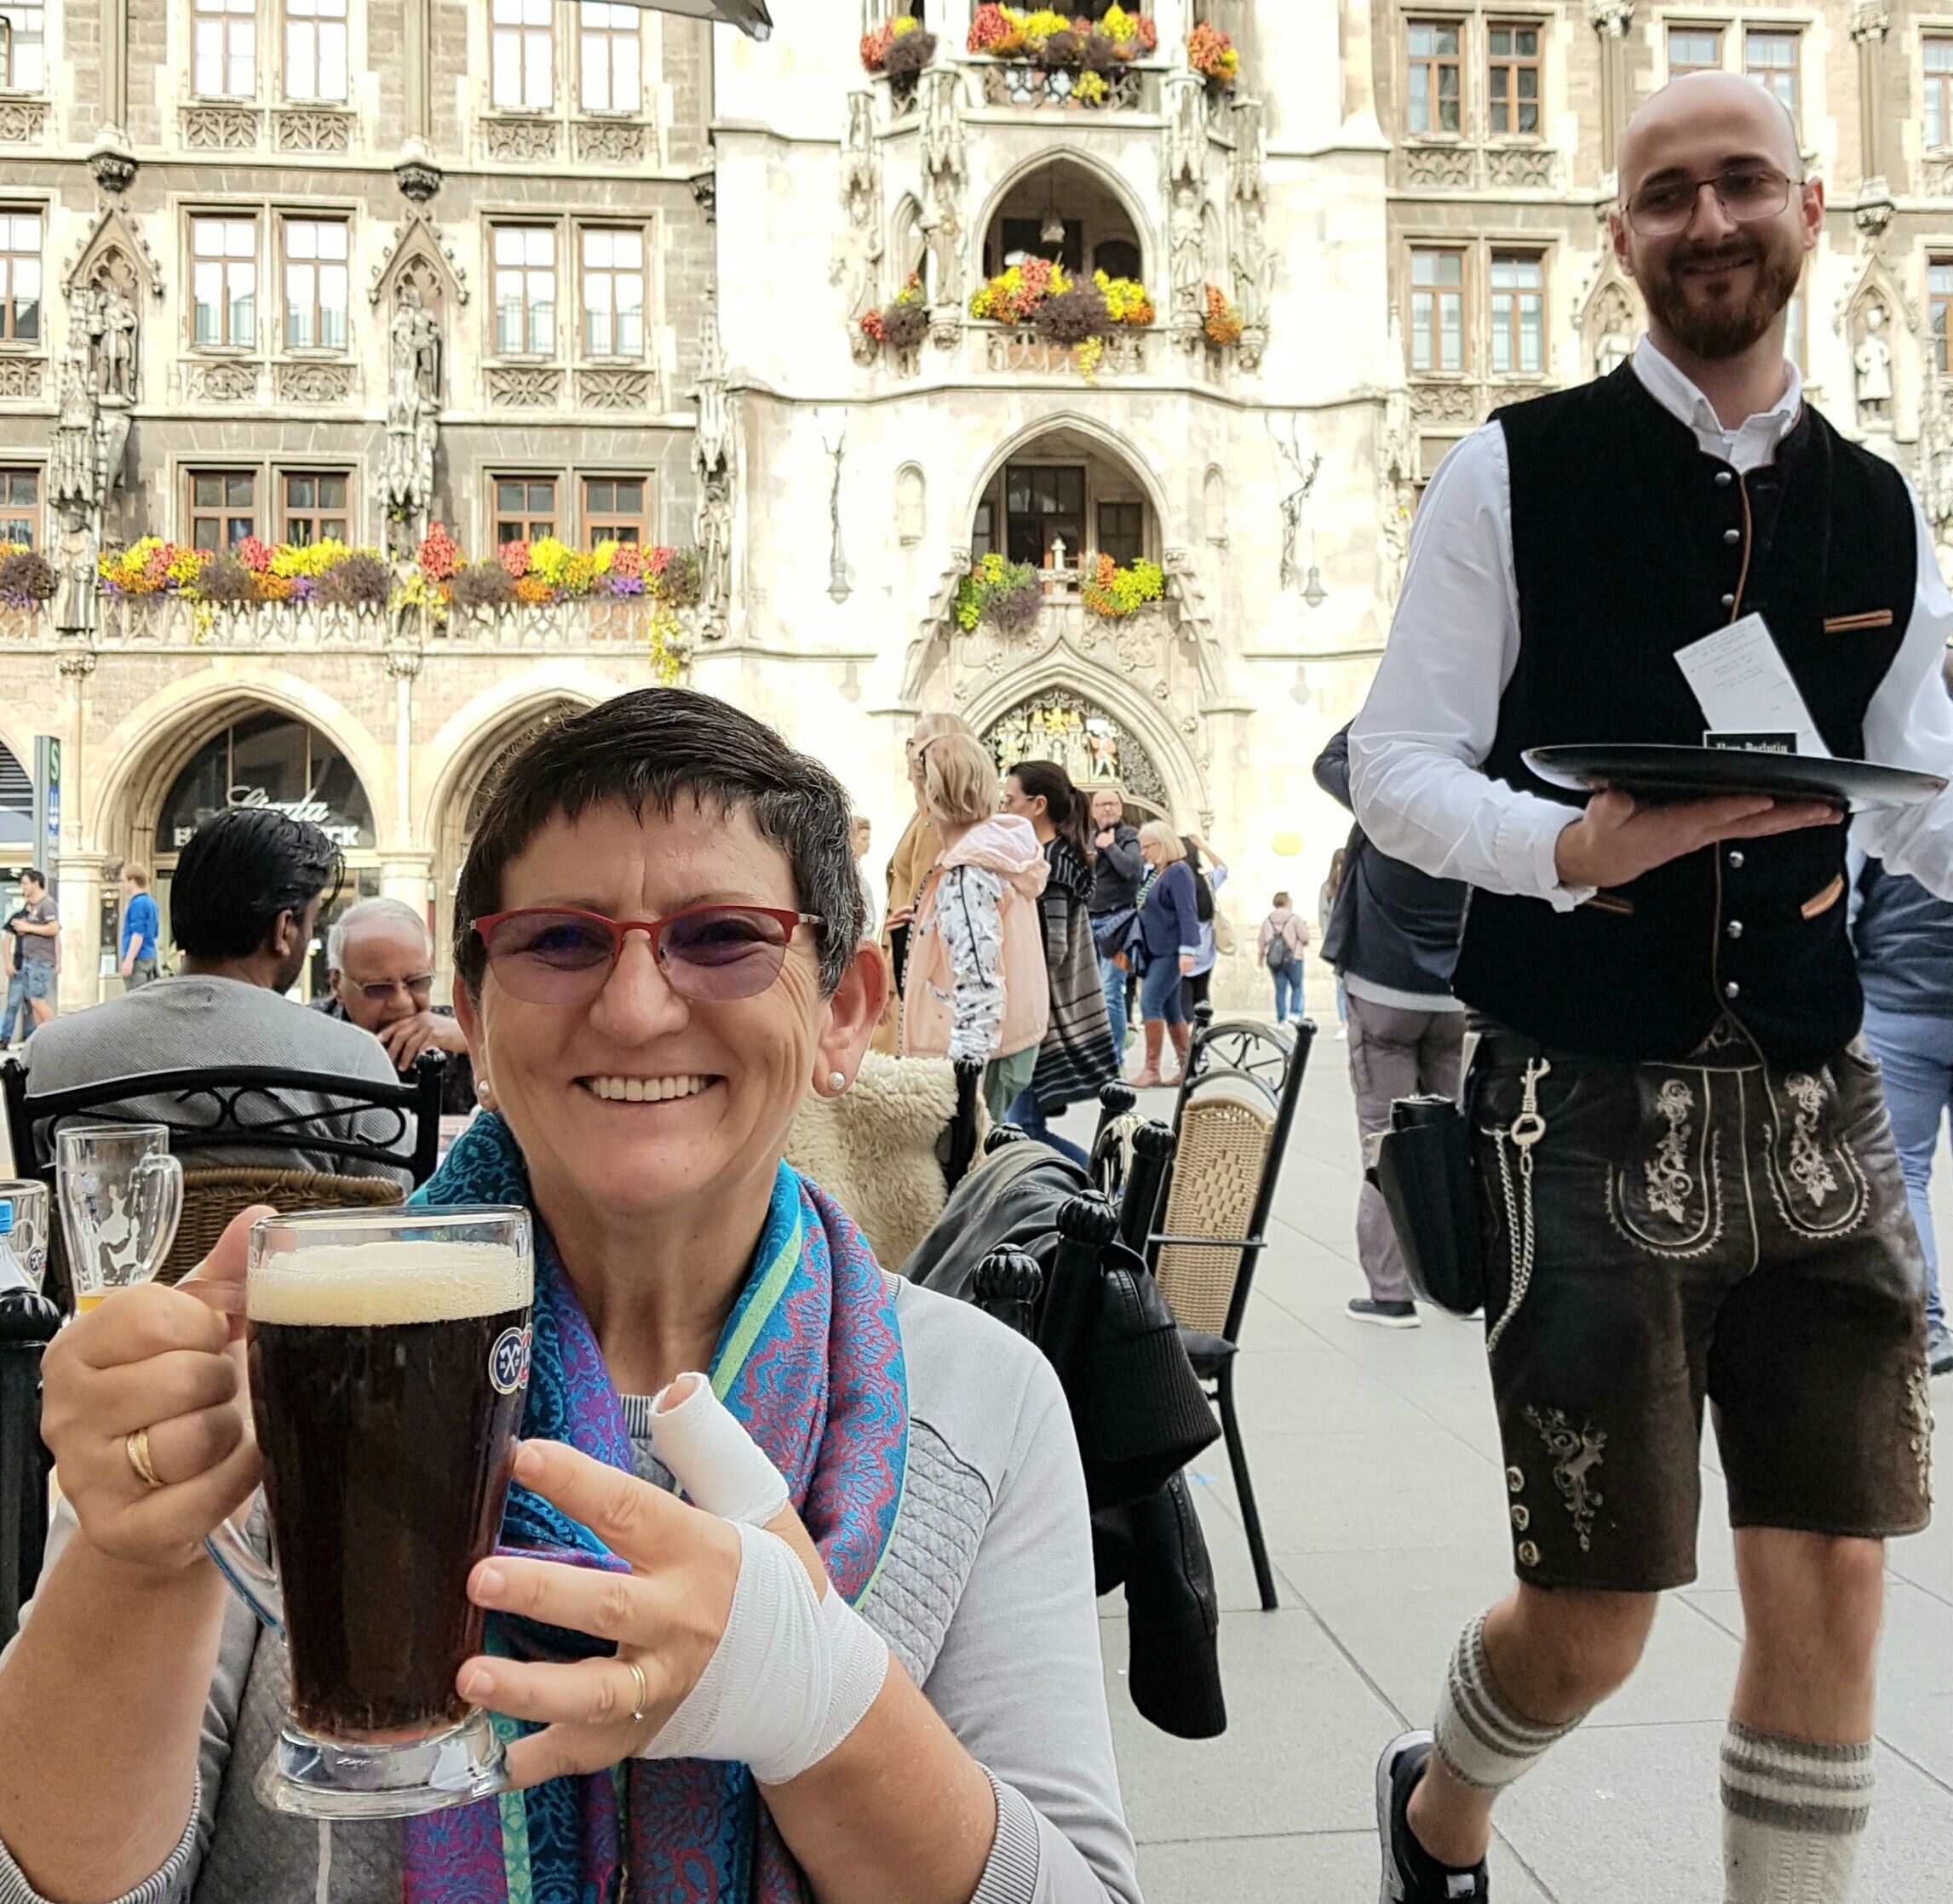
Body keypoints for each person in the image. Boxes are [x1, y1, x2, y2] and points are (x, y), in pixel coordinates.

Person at [0, 687, 1140, 1904]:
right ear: (478, 1021)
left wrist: (818, 1703)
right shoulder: (286, 1354)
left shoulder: (978, 1399)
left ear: (846, 1009)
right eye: (560, 941)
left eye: (722, 936)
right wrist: (133, 1554)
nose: (638, 1007)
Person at [1349, 73, 1952, 1904]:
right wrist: (1577, 851)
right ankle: (1438, 1799)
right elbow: (1398, 767)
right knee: (1596, 1608)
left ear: (1808, 215)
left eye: (1742, 185)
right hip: (1585, 1098)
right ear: (1616, 236)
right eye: (1667, 193)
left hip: (1819, 1099)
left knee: (1837, 1566)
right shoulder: (1512, 467)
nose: (1709, 221)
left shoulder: (1881, 508)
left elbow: (1919, 782)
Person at [22, 807, 409, 1179]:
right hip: (291, 1249)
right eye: (312, 922)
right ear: (284, 930)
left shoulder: (52, 1054)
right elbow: (390, 1210)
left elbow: (43, 1205)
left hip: (114, 1246)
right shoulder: (352, 1061)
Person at [1315, 721, 1469, 1330]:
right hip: (1454, 993)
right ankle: (1460, 1283)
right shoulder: (1468, 803)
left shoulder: (1384, 798)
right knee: (1455, 1136)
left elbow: (1328, 759)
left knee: (1386, 1140)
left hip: (1382, 988)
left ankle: (1390, 1292)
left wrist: (1398, 703)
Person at [901, 731, 1051, 1126]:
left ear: (932, 795)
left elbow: (979, 978)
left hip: (980, 1057)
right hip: (1007, 1044)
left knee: (970, 1174)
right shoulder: (999, 851)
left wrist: (964, 1088)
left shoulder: (971, 870)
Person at [1852, 857, 1953, 1375]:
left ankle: (1927, 1322)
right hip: (1899, 1009)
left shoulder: (1905, 785)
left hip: (1898, 1008)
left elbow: (1843, 901)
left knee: (1904, 1171)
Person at [1001, 760, 1119, 1166]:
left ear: (1037, 805)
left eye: (1009, 799)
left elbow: (1053, 949)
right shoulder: (1052, 856)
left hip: (1046, 1017)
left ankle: (1110, 1185)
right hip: (1050, 1012)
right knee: (1022, 1128)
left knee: (1022, 1133)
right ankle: (1108, 1185)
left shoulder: (1050, 865)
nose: (1003, 807)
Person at [311, 894, 479, 1116]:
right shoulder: (306, 1039)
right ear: (337, 984)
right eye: (378, 988)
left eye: (417, 982)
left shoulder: (458, 1036)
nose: (401, 1001)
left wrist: (476, 1041)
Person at [870, 711, 971, 1056]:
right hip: (901, 965)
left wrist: (886, 977)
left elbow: (920, 911)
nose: (909, 751)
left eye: (917, 743)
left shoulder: (935, 822)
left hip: (907, 971)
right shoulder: (922, 814)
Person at [1129, 822, 1200, 1091]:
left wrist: (1187, 950)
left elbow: (1187, 912)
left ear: (1162, 844)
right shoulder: (1157, 873)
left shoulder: (1178, 872)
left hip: (1171, 952)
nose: (1144, 852)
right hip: (1156, 951)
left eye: (1148, 847)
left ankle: (1152, 1068)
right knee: (1171, 1010)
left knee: (1150, 1002)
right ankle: (1186, 1067)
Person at [1086, 786, 1144, 1058]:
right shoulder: (1086, 838)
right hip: (1088, 923)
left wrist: (1109, 847)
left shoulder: (1129, 837)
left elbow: (1133, 871)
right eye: (1101, 804)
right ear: (1093, 811)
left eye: (1112, 803)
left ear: (1120, 808)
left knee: (1111, 991)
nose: (1107, 808)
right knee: (1093, 994)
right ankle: (1098, 1054)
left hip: (1120, 924)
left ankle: (1114, 1057)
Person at [1178, 834, 1229, 1021]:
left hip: (1181, 951)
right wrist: (1203, 846)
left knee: (1183, 1001)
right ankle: (1202, 1038)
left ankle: (1189, 1044)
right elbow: (1222, 869)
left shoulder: (1173, 882)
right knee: (1202, 997)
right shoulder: (1207, 881)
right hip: (1206, 951)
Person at [3, 869, 58, 1040]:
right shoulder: (31, 909)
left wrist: (28, 928)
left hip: (40, 961)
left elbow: (53, 928)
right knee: (32, 1005)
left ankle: (57, 1034)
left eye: (25, 883)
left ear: (36, 883)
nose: (23, 887)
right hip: (26, 961)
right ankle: (41, 1039)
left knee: (37, 1000)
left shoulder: (47, 904)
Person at [1259, 891, 1309, 1025]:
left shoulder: (1268, 920)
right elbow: (1305, 938)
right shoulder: (1294, 919)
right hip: (1294, 957)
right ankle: (1295, 1013)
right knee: (1297, 987)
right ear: (1287, 902)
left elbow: (1262, 941)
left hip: (1274, 959)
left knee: (1280, 989)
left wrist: (1261, 958)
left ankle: (1281, 1019)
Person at [1318, 846, 1349, 1035]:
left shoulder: (1354, 884)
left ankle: (1354, 1021)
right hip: (1338, 944)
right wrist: (1327, 941)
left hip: (1354, 942)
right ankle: (1344, 1022)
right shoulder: (1327, 888)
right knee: (1340, 984)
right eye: (1341, 864)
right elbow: (1323, 916)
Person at [118, 863, 160, 989]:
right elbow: (155, 933)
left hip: (138, 959)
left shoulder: (137, 904)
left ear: (132, 881)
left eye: (124, 881)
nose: (123, 885)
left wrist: (129, 960)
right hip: (150, 957)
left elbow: (137, 934)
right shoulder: (152, 903)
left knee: (135, 999)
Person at [851, 813, 882, 948]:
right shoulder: (850, 873)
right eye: (863, 838)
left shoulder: (857, 870)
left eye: (868, 838)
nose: (867, 843)